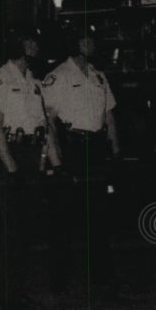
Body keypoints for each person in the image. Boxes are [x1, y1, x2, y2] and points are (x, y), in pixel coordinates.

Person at [0, 26, 57, 310]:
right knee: (11, 233)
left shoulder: (33, 82)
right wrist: (11, 166)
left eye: (35, 41)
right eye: (29, 41)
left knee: (25, 232)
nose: (34, 46)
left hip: (31, 157)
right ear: (17, 45)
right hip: (10, 158)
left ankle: (19, 292)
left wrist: (55, 162)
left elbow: (43, 128)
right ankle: (9, 302)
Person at [41, 25, 121, 295]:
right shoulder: (58, 77)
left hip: (97, 149)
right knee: (63, 217)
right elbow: (48, 120)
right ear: (74, 43)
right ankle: (58, 279)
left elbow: (109, 116)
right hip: (72, 147)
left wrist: (115, 151)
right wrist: (56, 159)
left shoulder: (98, 76)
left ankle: (102, 275)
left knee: (100, 214)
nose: (92, 43)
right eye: (86, 38)